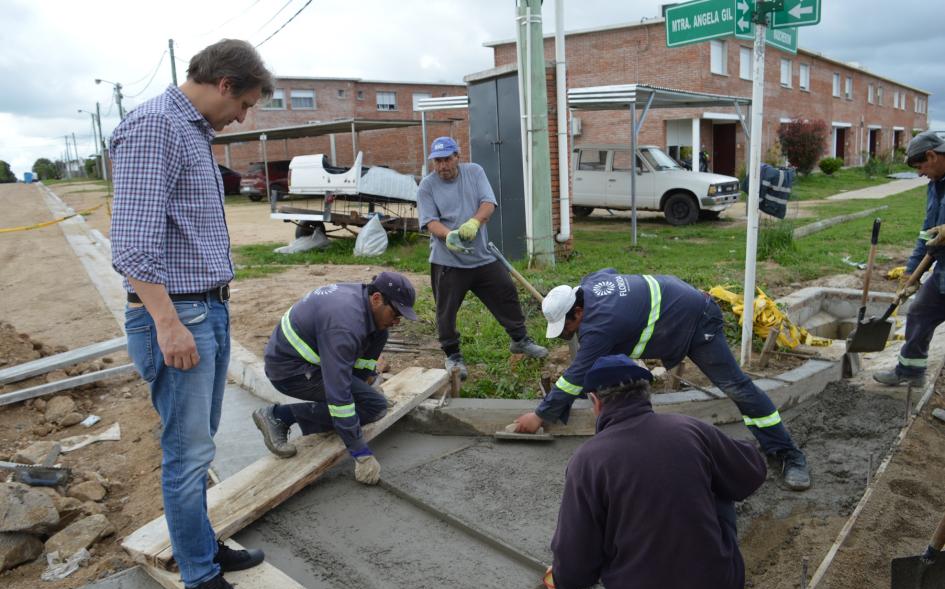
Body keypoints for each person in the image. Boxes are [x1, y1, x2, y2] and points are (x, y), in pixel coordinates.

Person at [110, 39, 273, 589]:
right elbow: (130, 246)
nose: (244, 117)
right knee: (185, 455)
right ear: (225, 84)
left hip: (206, 309)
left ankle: (203, 546)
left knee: (197, 446)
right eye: (246, 103)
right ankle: (200, 577)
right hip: (179, 315)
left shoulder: (191, 132)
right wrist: (167, 323)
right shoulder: (156, 128)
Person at [511, 268, 812, 491]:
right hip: (677, 302)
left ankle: (788, 454)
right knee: (593, 371)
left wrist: (540, 415)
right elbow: (611, 275)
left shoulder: (601, 325)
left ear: (578, 310)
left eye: (568, 326)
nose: (567, 333)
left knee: (737, 387)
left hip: (696, 322)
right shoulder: (591, 283)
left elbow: (575, 374)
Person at [543, 354, 767, 589]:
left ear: (596, 401)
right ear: (646, 394)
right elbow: (750, 473)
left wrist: (563, 579)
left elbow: (576, 557)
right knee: (716, 479)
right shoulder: (689, 429)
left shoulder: (588, 461)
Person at [252, 272, 418, 486]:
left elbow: (361, 370)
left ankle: (288, 415)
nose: (396, 322)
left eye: (400, 317)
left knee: (369, 402)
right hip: (288, 371)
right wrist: (361, 453)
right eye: (395, 313)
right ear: (376, 298)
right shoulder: (344, 325)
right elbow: (339, 395)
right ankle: (279, 416)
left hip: (312, 363)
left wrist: (363, 390)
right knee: (373, 408)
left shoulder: (370, 315)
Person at [417, 136, 547, 380]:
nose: (442, 166)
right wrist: (450, 236)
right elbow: (429, 221)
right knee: (446, 312)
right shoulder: (427, 185)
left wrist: (475, 221)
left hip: (482, 257)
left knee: (506, 294)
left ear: (457, 157)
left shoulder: (474, 172)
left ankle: (520, 340)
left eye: (447, 159)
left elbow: (488, 203)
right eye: (438, 161)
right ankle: (453, 356)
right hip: (448, 262)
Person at [874, 130, 945, 388]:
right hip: (942, 272)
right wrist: (910, 273)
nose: (919, 173)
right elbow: (927, 233)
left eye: (920, 166)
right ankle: (910, 372)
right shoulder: (935, 186)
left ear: (931, 155)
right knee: (920, 312)